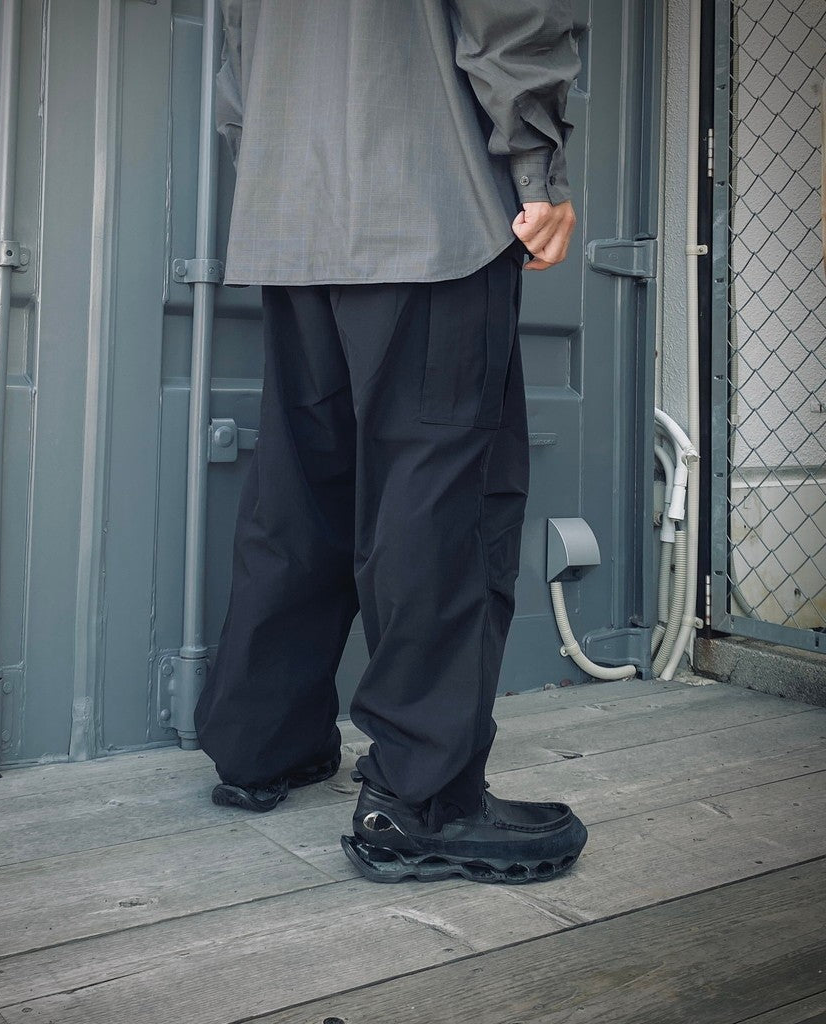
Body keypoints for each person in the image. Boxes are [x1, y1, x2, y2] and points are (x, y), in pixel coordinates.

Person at [194, 0, 588, 884]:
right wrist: (536, 165)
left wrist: (271, 169)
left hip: (291, 210)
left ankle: (261, 744)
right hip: (427, 201)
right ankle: (425, 799)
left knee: (302, 488)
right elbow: (512, 12)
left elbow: (239, 57)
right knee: (441, 503)